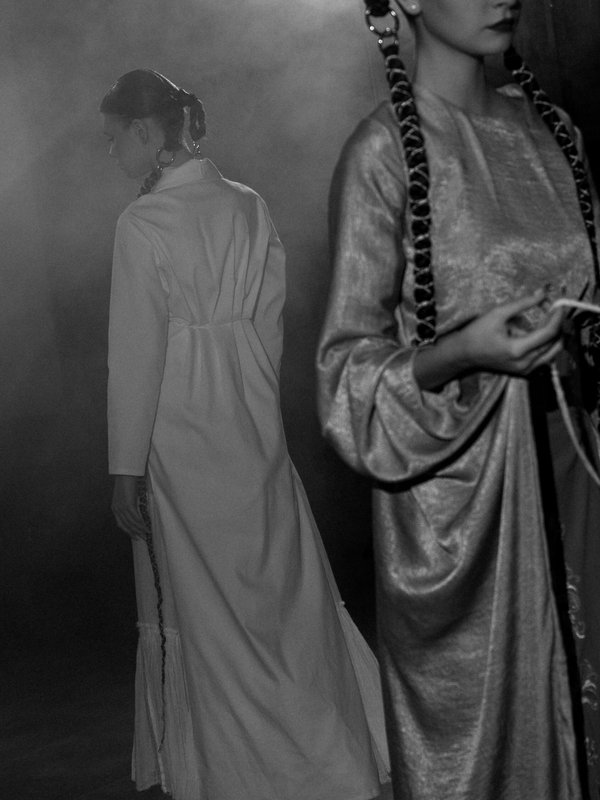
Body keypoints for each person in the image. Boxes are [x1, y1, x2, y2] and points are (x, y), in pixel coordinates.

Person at [316, 1, 600, 798]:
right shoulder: (382, 153)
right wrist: (463, 351)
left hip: (578, 473)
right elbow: (344, 379)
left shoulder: (555, 135)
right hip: (468, 511)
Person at [100, 69, 390, 800]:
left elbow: (135, 352)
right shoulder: (247, 203)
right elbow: (269, 322)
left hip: (178, 418)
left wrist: (125, 465)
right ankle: (319, 747)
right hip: (247, 409)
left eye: (114, 136)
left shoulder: (142, 223)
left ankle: (238, 768)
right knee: (272, 582)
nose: (110, 151)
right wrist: (256, 403)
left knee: (205, 596)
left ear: (146, 131)